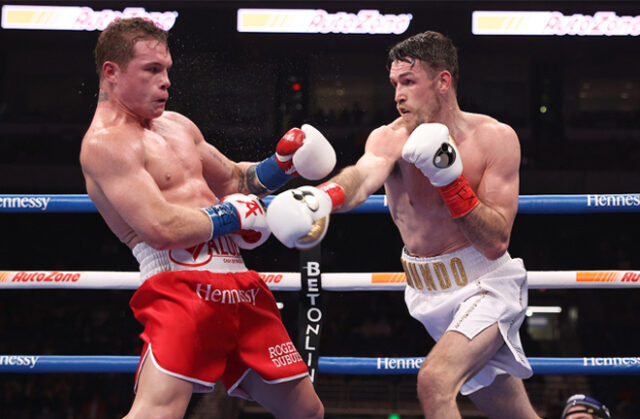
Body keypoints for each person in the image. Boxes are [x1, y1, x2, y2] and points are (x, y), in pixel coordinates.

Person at [267, 30, 541, 418]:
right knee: (513, 414)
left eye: (409, 82)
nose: (398, 94)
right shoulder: (388, 138)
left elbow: (496, 240)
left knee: (435, 381)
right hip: (426, 294)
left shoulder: (495, 139)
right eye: (395, 83)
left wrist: (449, 179)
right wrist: (321, 198)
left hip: (487, 285)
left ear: (443, 81)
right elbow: (361, 180)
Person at [80, 17, 334, 419]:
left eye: (166, 70)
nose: (165, 81)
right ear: (111, 72)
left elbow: (235, 179)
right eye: (151, 70)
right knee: (156, 413)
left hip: (242, 285)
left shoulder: (178, 125)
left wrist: (283, 166)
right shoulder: (106, 145)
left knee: (307, 412)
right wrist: (233, 215)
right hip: (179, 285)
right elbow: (161, 228)